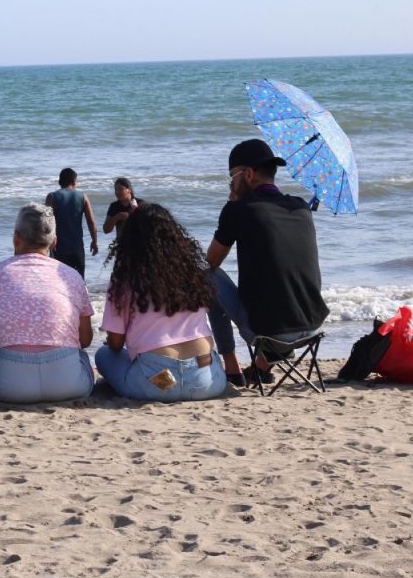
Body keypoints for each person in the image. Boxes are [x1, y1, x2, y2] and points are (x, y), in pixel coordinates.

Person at [207, 139, 329, 385]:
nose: (230, 183)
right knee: (278, 292)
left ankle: (232, 368)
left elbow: (212, 261)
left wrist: (231, 208)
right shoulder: (301, 207)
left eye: (232, 176)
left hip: (269, 334)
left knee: (205, 276)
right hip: (312, 325)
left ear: (249, 174)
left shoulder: (238, 210)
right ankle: (261, 367)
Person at [94, 203, 227, 402]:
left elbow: (115, 343)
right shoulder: (192, 273)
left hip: (157, 381)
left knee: (104, 354)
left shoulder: (126, 278)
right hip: (206, 380)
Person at [0, 203, 94, 403]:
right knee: (82, 356)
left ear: (16, 238)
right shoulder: (71, 276)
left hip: (6, 386)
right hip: (68, 384)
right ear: (54, 242)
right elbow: (85, 339)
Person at [45, 167, 99, 277]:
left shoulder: (52, 197)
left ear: (60, 181)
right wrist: (94, 241)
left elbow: (47, 222)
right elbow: (91, 222)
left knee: (59, 281)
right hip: (77, 248)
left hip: (58, 248)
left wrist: (46, 245)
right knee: (79, 281)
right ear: (74, 181)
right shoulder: (83, 196)